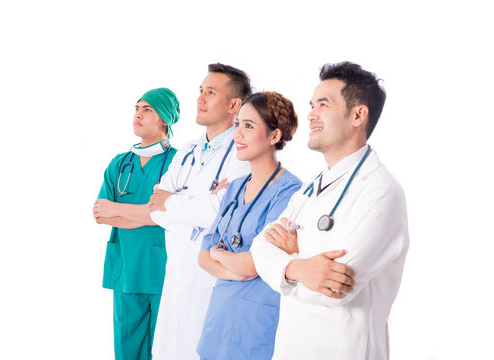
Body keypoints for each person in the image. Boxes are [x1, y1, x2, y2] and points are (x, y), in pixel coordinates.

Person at [251, 62, 409, 360]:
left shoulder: (380, 192)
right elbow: (260, 247)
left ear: (358, 115)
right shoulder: (312, 186)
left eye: (323, 105)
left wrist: (288, 257)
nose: (310, 114)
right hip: (290, 348)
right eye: (312, 105)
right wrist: (298, 267)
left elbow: (335, 287)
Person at [94, 63, 252, 359]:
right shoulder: (186, 152)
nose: (201, 98)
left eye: (211, 92)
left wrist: (171, 204)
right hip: (156, 269)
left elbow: (217, 213)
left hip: (200, 273)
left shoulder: (241, 152)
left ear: (234, 105)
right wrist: (181, 207)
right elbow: (155, 210)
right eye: (200, 91)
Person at [197, 91, 302, 360]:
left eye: (248, 126)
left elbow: (254, 265)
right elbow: (203, 255)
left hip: (254, 327)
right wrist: (234, 263)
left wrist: (219, 254)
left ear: (274, 136)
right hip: (218, 322)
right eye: (237, 124)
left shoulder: (290, 193)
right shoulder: (234, 188)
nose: (237, 135)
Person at [93, 88, 180, 360]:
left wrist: (118, 208)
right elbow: (100, 214)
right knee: (126, 350)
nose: (138, 115)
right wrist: (149, 213)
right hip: (126, 271)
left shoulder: (179, 162)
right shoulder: (120, 163)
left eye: (147, 110)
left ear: (164, 119)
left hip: (163, 269)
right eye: (137, 108)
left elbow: (172, 215)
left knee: (164, 349)